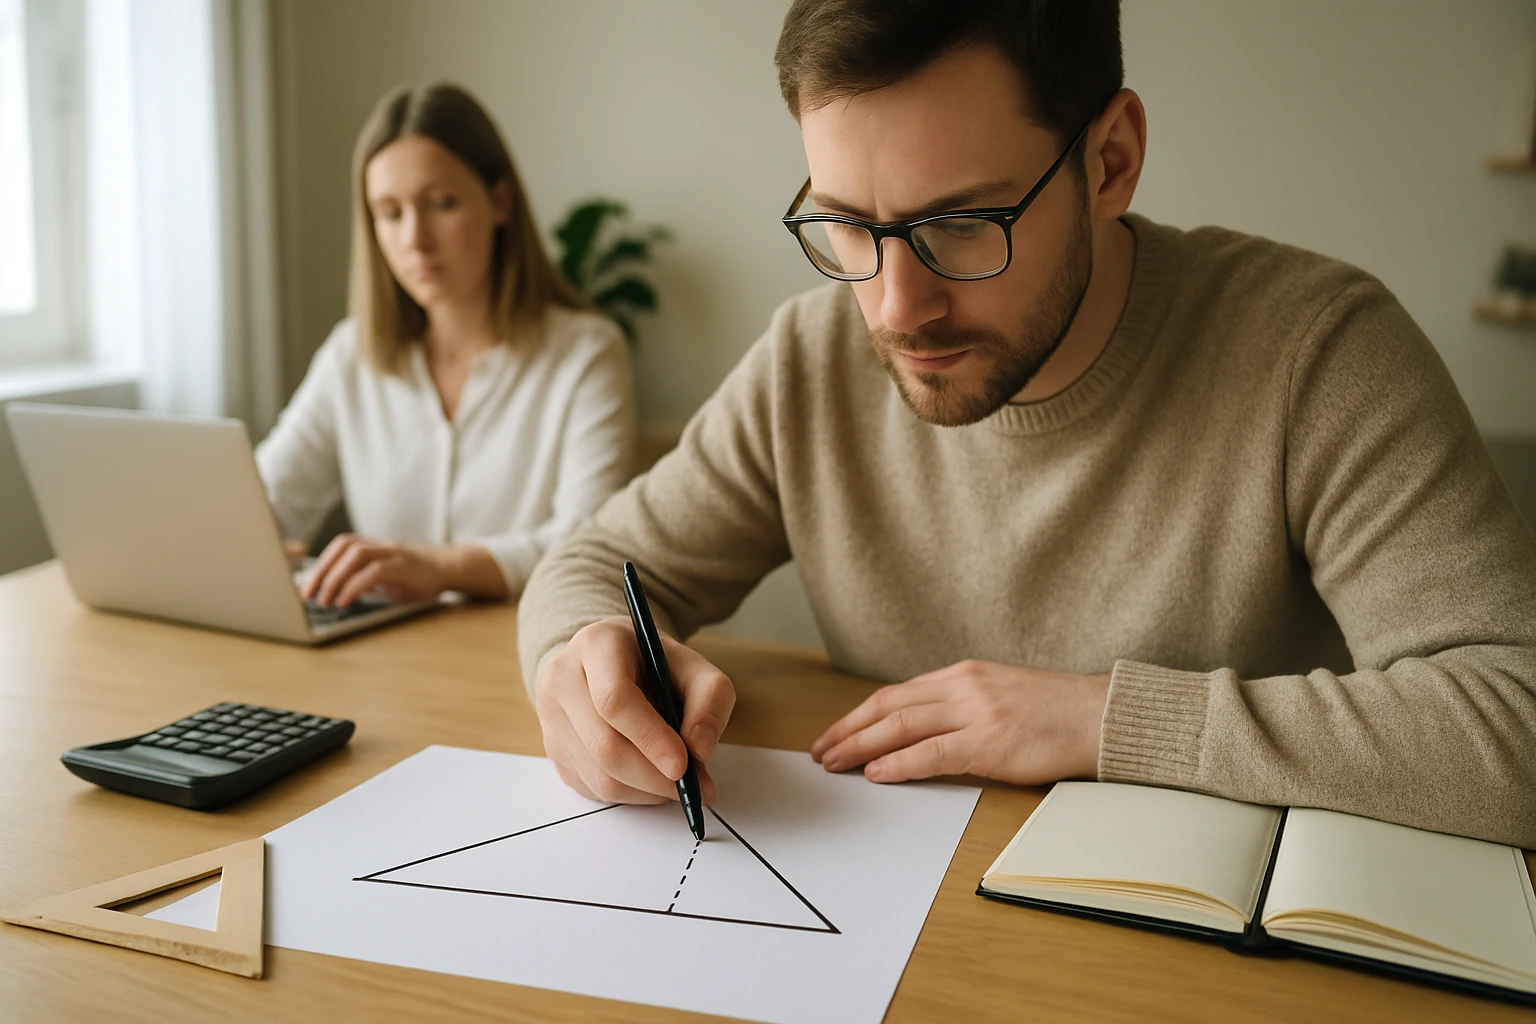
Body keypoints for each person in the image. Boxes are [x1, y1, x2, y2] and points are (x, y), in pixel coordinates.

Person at [517, 1, 1536, 847]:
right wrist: (581, 659)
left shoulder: (1319, 353)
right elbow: (598, 563)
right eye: (846, 227)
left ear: (1112, 159)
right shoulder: (809, 359)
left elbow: (1514, 720)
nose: (892, 308)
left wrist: (1103, 717)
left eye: (961, 224)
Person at [257, 83, 635, 609]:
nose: (415, 238)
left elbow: (588, 542)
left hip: (527, 653)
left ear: (500, 201)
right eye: (390, 213)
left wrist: (439, 568)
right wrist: (253, 546)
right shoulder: (351, 355)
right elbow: (264, 502)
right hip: (384, 660)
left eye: (442, 203)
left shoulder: (585, 353)